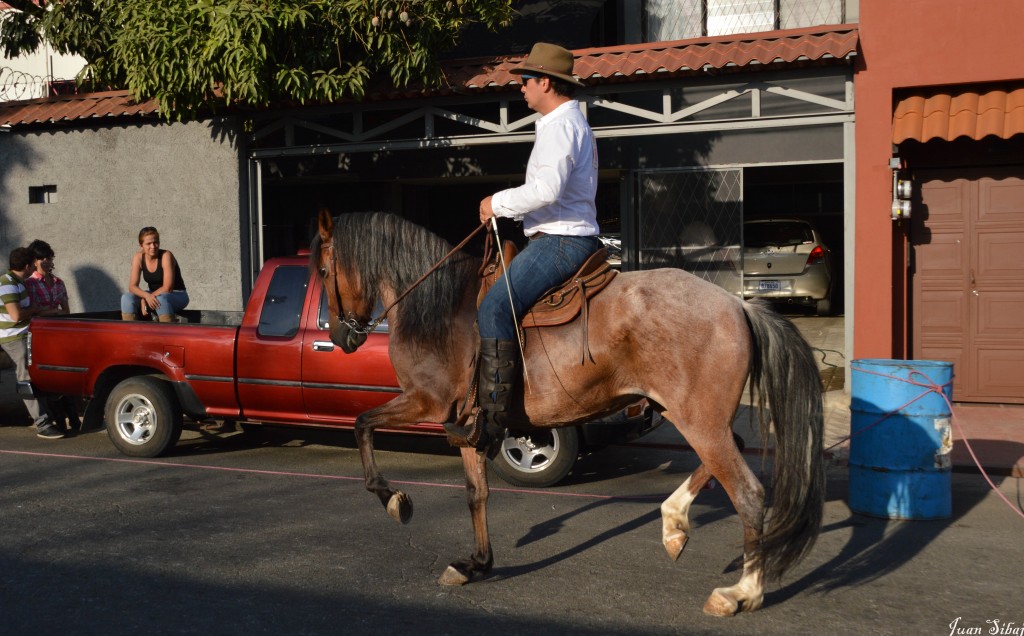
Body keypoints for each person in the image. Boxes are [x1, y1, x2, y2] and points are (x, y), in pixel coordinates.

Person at [446, 42, 601, 456]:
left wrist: (496, 203)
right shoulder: (563, 124)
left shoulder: (561, 126)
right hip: (562, 235)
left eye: (527, 80)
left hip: (561, 240)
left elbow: (547, 190)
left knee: (494, 308)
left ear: (546, 82)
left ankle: (492, 422)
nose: (522, 88)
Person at [1, 247, 63, 439]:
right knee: (25, 378)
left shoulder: (19, 283)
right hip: (13, 338)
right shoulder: (7, 283)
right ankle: (42, 423)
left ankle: (49, 416)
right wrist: (35, 309)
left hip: (25, 335)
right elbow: (16, 315)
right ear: (27, 266)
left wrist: (44, 311)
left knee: (34, 375)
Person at [25, 239, 81, 431]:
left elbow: (65, 309)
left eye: (48, 257)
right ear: (34, 261)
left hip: (60, 332)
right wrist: (52, 312)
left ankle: (74, 418)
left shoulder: (58, 282)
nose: (46, 261)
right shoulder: (30, 283)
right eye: (41, 258)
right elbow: (33, 311)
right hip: (42, 335)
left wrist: (58, 315)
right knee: (49, 378)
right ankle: (58, 419)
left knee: (65, 376)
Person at [120, 226, 189, 322]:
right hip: (154, 295)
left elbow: (167, 288)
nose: (153, 246)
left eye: (156, 242)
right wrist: (146, 296)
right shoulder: (138, 257)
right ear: (141, 245)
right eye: (148, 244)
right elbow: (132, 287)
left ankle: (167, 334)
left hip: (177, 294)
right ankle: (130, 334)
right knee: (126, 298)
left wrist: (145, 299)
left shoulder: (166, 255)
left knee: (160, 300)